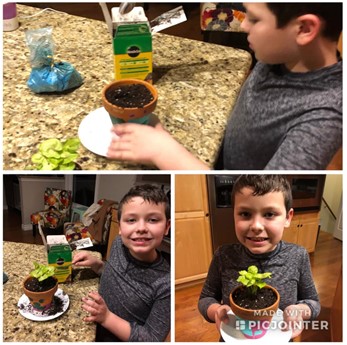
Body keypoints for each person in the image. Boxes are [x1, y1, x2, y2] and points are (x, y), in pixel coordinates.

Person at [107, 3, 342, 170]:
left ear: (304, 29)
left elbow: (268, 193)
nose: (243, 26)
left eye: (254, 19)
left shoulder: (325, 118)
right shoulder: (282, 55)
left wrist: (163, 151)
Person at [198, 175, 320, 340]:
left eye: (269, 214)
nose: (256, 226)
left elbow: (312, 302)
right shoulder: (223, 255)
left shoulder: (298, 256)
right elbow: (206, 298)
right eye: (245, 214)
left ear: (288, 217)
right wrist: (215, 311)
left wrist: (300, 311)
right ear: (233, 215)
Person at [72, 184, 171, 342]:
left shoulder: (166, 284)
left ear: (166, 227)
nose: (141, 228)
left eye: (152, 220)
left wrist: (106, 318)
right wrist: (97, 265)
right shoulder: (118, 243)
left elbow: (152, 339)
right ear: (120, 225)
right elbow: (113, 275)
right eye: (131, 220)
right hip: (92, 327)